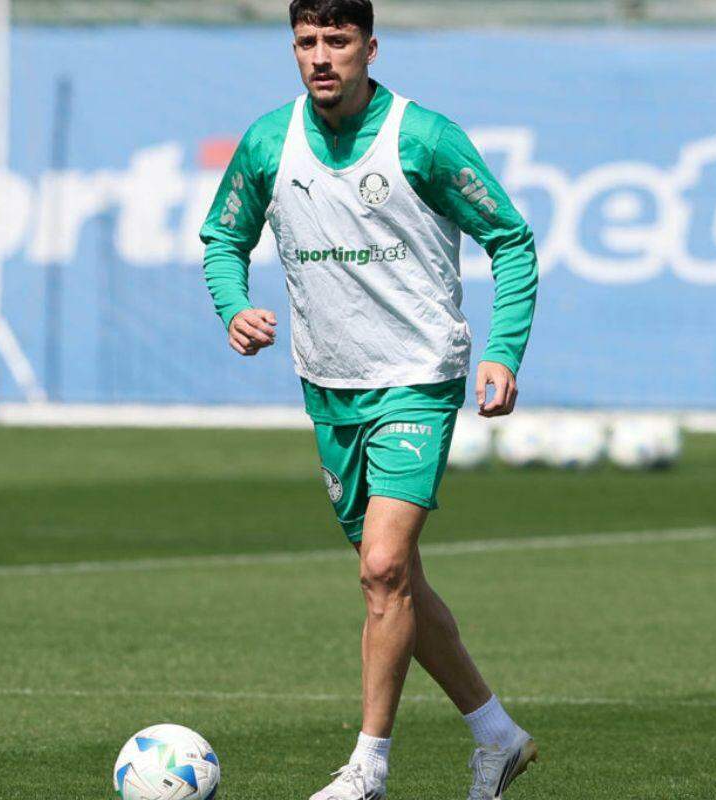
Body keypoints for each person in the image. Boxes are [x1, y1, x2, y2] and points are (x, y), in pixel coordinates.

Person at [199, 1, 540, 798]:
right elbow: (224, 237)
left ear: (370, 47)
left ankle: (368, 768)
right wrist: (232, 305)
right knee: (397, 583)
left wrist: (502, 350)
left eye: (338, 41)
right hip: (328, 386)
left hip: (417, 378)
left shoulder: (424, 138)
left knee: (383, 569)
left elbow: (511, 238)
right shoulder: (268, 141)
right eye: (306, 41)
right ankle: (498, 737)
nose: (321, 57)